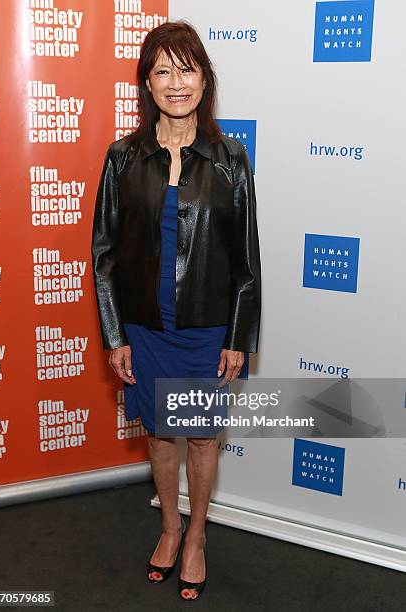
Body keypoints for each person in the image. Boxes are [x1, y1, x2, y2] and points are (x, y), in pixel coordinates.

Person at [91, 20, 261, 601]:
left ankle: (197, 539)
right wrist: (115, 335)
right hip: (145, 326)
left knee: (204, 438)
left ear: (204, 79)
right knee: (161, 438)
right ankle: (168, 529)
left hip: (207, 328)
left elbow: (246, 260)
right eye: (161, 70)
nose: (175, 82)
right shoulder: (122, 157)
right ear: (146, 83)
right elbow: (104, 256)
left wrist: (238, 335)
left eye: (186, 68)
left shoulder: (230, 158)